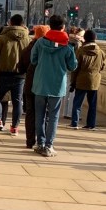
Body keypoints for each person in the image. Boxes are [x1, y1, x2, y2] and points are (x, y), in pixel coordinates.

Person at [31, 13, 78, 157]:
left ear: (50, 26)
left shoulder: (40, 42)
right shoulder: (67, 47)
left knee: (39, 115)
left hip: (40, 83)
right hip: (57, 86)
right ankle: (49, 145)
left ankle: (40, 143)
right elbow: (72, 66)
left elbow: (33, 60)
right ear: (63, 27)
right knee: (53, 116)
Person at [0, 13, 31, 135]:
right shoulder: (28, 39)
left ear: (10, 23)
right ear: (23, 24)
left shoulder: (2, 38)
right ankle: (15, 128)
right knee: (18, 101)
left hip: (2, 72)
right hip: (20, 74)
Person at [19, 24, 49, 150]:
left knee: (30, 113)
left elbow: (20, 67)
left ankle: (30, 140)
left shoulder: (29, 48)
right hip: (44, 84)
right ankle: (43, 140)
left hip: (30, 84)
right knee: (44, 113)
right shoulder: (48, 48)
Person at [70, 29, 106, 130]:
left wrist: (73, 82)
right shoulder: (101, 52)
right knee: (92, 104)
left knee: (77, 103)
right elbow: (103, 66)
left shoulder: (80, 50)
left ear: (85, 38)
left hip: (81, 79)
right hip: (94, 80)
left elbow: (75, 68)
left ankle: (75, 123)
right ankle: (91, 124)